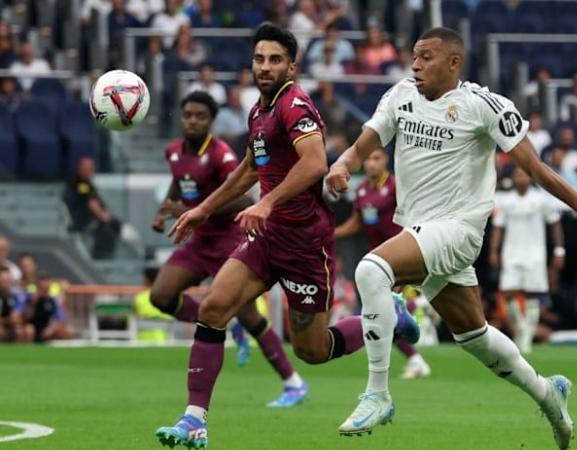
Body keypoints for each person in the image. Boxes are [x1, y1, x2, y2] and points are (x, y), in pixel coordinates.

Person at [327, 27, 577, 447]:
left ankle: (378, 394)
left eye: (426, 57)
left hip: (458, 230)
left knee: (371, 270)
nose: (415, 64)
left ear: (454, 62)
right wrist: (343, 164)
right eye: (414, 56)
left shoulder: (484, 106)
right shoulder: (399, 95)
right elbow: (361, 147)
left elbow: (537, 169)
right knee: (474, 337)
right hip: (419, 229)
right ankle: (548, 393)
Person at [155, 25, 419, 449]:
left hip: (304, 243)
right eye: (259, 59)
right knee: (215, 308)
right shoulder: (259, 111)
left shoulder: (295, 104)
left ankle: (387, 314)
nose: (265, 67)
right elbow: (248, 167)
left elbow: (315, 162)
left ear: (291, 66)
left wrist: (266, 202)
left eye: (275, 60)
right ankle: (194, 420)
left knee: (312, 351)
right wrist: (202, 210)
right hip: (268, 237)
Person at [151, 90, 308, 407]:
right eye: (187, 115)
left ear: (211, 121)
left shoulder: (221, 154)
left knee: (250, 315)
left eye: (200, 116)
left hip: (227, 241)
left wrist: (188, 207)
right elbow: (179, 180)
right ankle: (223, 323)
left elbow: (244, 199)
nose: (192, 121)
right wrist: (166, 209)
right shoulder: (173, 152)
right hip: (198, 241)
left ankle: (294, 383)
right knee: (161, 296)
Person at [335, 147, 432, 379]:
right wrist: (332, 234)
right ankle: (416, 345)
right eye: (367, 159)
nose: (370, 164)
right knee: (384, 312)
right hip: (377, 261)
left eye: (376, 158)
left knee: (383, 311)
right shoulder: (361, 192)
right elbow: (357, 223)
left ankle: (419, 310)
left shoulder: (397, 186)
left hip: (401, 255)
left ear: (385, 160)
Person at [489, 166, 565, 354]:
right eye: (517, 175)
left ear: (531, 178)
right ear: (513, 178)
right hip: (511, 253)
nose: (521, 178)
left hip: (535, 254)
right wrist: (494, 251)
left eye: (524, 174)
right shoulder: (507, 201)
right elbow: (498, 227)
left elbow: (555, 224)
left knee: (532, 294)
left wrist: (559, 250)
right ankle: (522, 327)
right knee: (507, 293)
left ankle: (527, 336)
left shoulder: (540, 200)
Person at [63, 157, 122, 259]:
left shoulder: (87, 183)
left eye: (91, 168)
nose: (90, 171)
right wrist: (104, 216)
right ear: (79, 168)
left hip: (90, 219)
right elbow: (91, 202)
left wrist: (109, 215)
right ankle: (101, 257)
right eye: (86, 168)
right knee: (107, 227)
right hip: (83, 220)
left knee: (115, 224)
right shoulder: (81, 184)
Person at [23, 273, 73, 342]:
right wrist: (33, 303)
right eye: (42, 283)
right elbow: (27, 317)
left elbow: (60, 317)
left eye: (46, 283)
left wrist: (52, 328)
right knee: (28, 330)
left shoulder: (53, 299)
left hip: (48, 327)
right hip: (35, 326)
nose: (44, 286)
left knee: (66, 330)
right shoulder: (31, 297)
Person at [0, 266, 29, 342]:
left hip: (13, 327)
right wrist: (8, 320)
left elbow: (17, 316)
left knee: (26, 330)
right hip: (2, 326)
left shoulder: (17, 295)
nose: (6, 283)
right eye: (3, 280)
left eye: (8, 280)